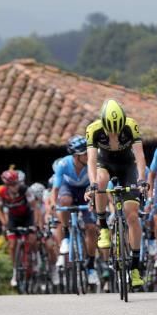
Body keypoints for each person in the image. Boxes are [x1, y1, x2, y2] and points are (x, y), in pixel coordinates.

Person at [84, 99, 149, 289]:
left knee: (132, 215)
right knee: (101, 181)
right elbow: (91, 161)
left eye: (117, 130)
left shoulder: (131, 126)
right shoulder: (93, 129)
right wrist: (93, 185)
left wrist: (142, 180)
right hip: (105, 164)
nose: (113, 134)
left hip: (127, 166)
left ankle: (135, 268)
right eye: (109, 131)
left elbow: (140, 158)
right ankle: (103, 226)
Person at [50, 135, 99, 285]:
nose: (88, 155)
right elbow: (56, 188)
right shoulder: (64, 164)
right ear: (76, 156)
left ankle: (91, 266)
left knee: (91, 227)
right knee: (64, 201)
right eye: (85, 154)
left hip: (86, 191)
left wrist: (95, 203)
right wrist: (53, 204)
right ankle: (66, 236)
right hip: (68, 189)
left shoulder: (92, 164)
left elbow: (97, 186)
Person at [0, 167, 37, 287]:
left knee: (32, 239)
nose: (16, 186)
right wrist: (4, 223)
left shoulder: (25, 189)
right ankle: (15, 270)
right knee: (12, 244)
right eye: (13, 184)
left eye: (17, 183)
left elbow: (34, 208)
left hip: (27, 216)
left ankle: (32, 260)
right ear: (7, 185)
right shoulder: (1, 192)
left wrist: (35, 225)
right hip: (13, 218)